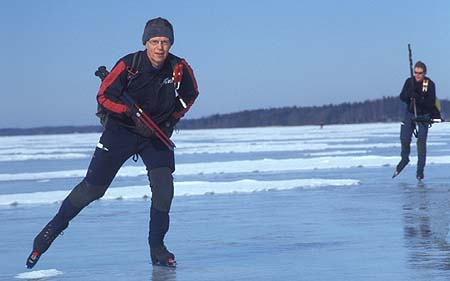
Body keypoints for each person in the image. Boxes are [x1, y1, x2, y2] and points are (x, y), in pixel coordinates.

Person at [26, 17, 199, 268]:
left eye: (165, 41)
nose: (160, 47)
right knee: (93, 189)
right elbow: (103, 96)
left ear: (170, 43)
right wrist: (127, 113)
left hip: (156, 134)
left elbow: (190, 94)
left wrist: (170, 120)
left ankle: (157, 248)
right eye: (154, 41)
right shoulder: (129, 64)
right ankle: (50, 231)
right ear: (146, 42)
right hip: (121, 132)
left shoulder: (178, 67)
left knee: (164, 191)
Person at [395, 61, 436, 180]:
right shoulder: (409, 82)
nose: (417, 75)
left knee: (421, 142)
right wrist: (409, 94)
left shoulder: (429, 84)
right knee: (405, 138)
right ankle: (404, 158)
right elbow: (402, 97)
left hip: (424, 115)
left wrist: (418, 98)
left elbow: (430, 103)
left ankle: (420, 170)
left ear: (425, 73)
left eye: (420, 73)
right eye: (415, 72)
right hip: (410, 113)